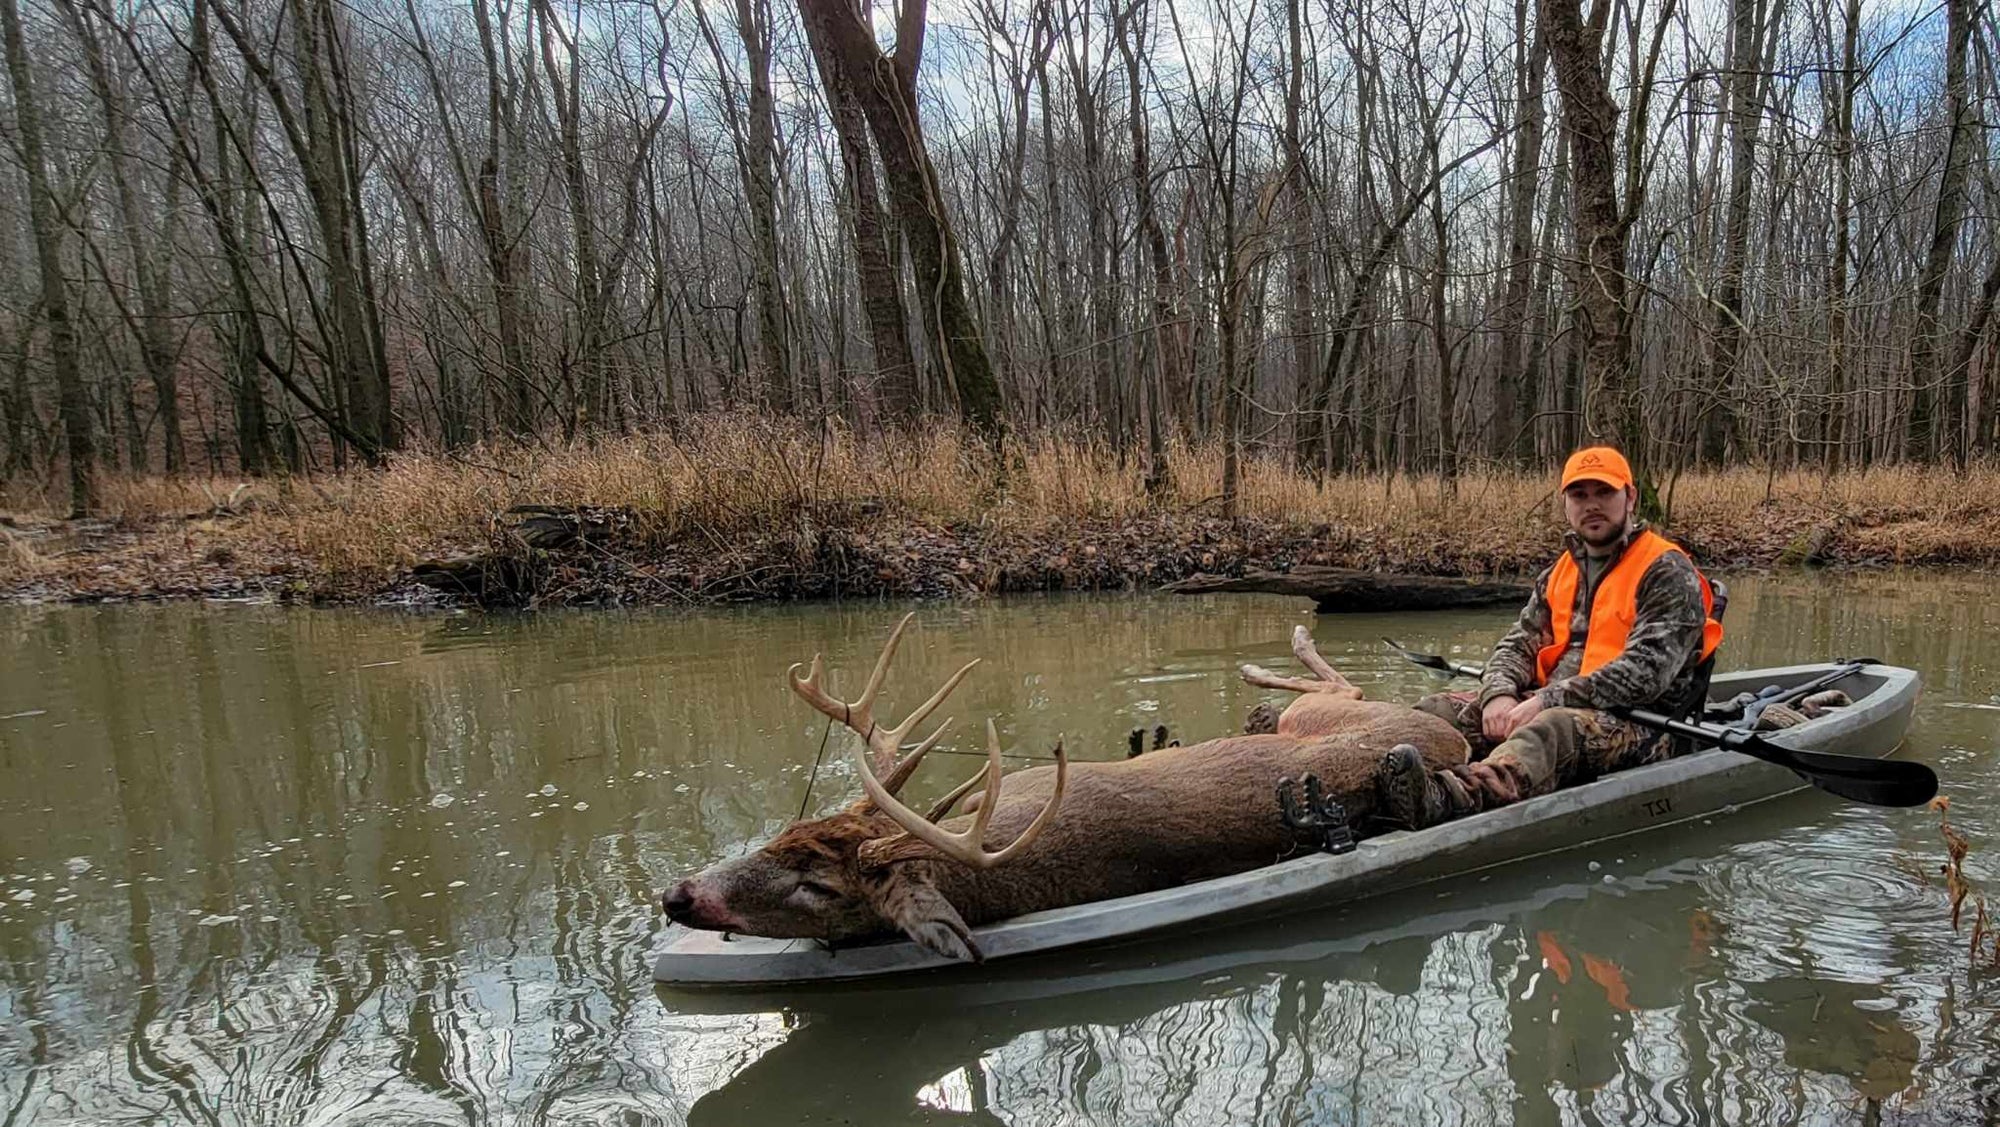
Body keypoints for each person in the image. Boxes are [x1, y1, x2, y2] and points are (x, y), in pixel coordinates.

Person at [1376, 445, 1724, 829]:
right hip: (1549, 704)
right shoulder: (1559, 573)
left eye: (1604, 492)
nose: (1592, 504)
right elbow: (1518, 643)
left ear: (1630, 497)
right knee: (1438, 710)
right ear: (1566, 504)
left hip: (1643, 724)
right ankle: (1374, 783)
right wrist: (1500, 693)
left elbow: (1645, 674)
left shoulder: (1666, 570)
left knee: (1554, 730)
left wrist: (1546, 699)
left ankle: (1448, 799)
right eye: (1579, 495)